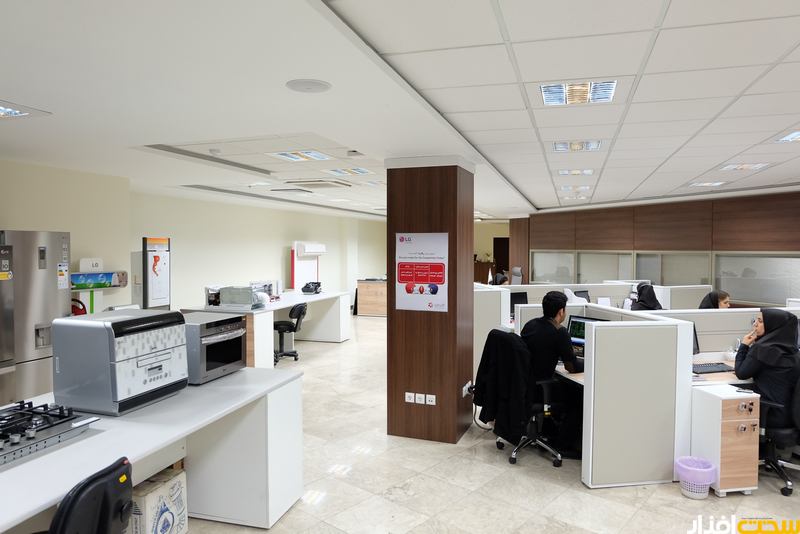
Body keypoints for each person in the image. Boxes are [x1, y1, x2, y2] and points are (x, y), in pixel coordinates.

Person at [520, 291, 583, 453]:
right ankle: (563, 444)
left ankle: (548, 432)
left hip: (525, 385)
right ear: (561, 311)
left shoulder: (530, 324)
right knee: (578, 398)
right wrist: (589, 361)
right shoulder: (559, 331)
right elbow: (571, 367)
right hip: (540, 389)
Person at [734, 309, 800, 427]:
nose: (755, 324)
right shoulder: (794, 351)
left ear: (773, 326)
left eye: (760, 321)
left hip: (770, 414)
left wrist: (744, 345)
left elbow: (741, 373)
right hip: (790, 416)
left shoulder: (762, 349)